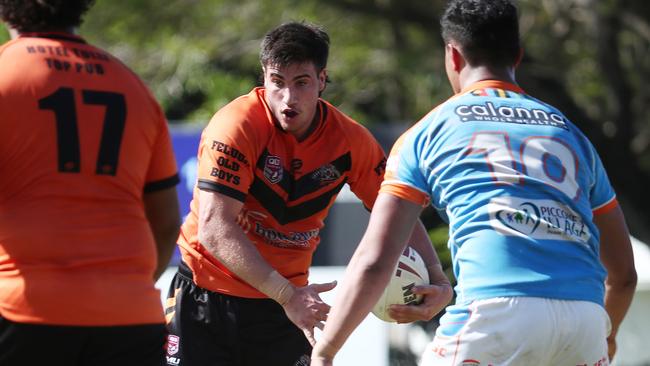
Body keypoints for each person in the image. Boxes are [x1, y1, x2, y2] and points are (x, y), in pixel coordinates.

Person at [312, 0, 638, 365]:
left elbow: (375, 262)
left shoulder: (427, 133)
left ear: (452, 55)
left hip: (495, 314)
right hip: (586, 320)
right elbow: (623, 275)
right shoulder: (572, 136)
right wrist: (606, 339)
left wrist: (325, 352)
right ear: (518, 55)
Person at [163, 21, 446, 366]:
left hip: (284, 308)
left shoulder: (351, 142)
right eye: (277, 83)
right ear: (264, 77)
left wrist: (437, 275)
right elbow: (214, 228)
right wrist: (288, 295)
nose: (288, 99)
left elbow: (398, 211)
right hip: (206, 297)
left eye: (302, 83)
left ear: (322, 80)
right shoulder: (235, 126)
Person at [0, 1, 181, 365]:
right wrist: (121, 285)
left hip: (24, 309)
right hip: (130, 316)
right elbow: (164, 223)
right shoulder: (133, 86)